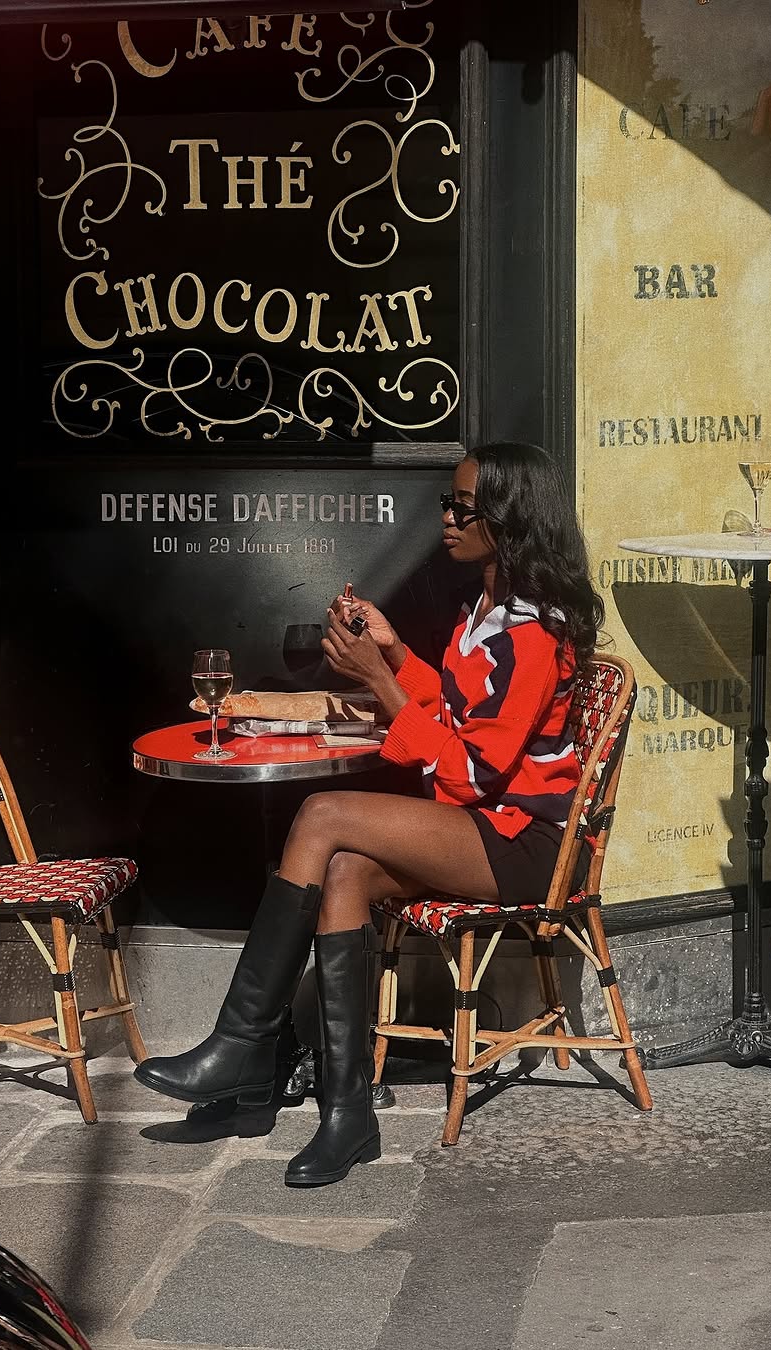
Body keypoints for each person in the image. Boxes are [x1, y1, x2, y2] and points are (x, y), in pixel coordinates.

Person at [135, 442, 602, 1186]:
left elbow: (474, 774)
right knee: (345, 871)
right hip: (483, 824)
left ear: (508, 522)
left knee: (321, 813)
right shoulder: (486, 611)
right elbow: (454, 714)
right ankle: (346, 1117)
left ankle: (245, 1045)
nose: (445, 519)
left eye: (462, 509)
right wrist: (396, 655)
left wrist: (379, 681)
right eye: (447, 505)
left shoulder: (531, 634)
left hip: (522, 841)